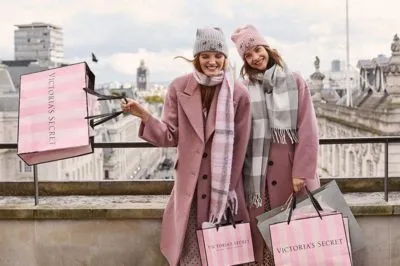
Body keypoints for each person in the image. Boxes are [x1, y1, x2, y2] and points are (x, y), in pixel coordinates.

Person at [121, 27, 252, 266]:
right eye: (205, 56)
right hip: (189, 189)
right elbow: (169, 136)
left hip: (221, 191)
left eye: (217, 55)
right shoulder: (178, 87)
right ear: (196, 57)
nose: (212, 61)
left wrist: (228, 190)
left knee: (222, 256)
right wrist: (145, 117)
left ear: (225, 57)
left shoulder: (239, 93)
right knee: (189, 256)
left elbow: (240, 147)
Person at [230, 25, 321, 265]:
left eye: (257, 50)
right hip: (256, 179)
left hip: (291, 177)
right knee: (262, 239)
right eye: (247, 55)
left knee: (295, 240)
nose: (255, 57)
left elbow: (308, 129)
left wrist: (301, 171)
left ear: (267, 48)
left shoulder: (295, 81)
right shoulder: (241, 87)